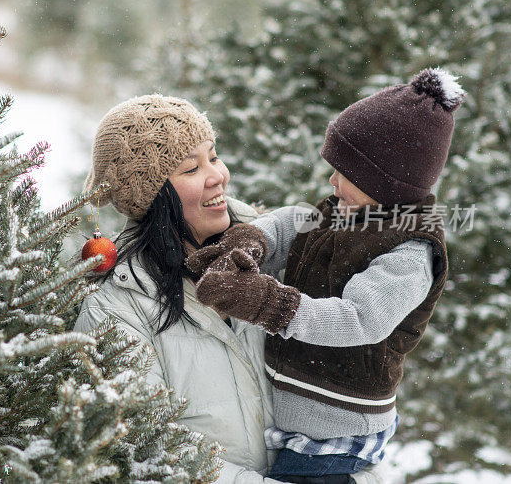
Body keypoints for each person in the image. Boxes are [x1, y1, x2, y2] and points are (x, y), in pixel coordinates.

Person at [74, 94, 387, 483]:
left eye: (214, 156)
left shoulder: (278, 248)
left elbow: (356, 388)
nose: (218, 175)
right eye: (191, 167)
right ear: (151, 196)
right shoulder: (117, 307)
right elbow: (146, 449)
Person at [189, 69, 463, 483]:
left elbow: (358, 319)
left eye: (345, 175)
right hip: (295, 421)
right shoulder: (347, 208)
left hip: (333, 439)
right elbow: (289, 224)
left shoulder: (410, 252)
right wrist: (249, 241)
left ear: (384, 184)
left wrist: (269, 304)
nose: (332, 182)